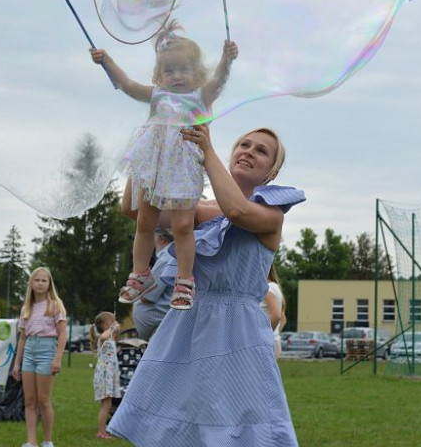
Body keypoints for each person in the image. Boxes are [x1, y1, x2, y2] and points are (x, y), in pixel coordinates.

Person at [108, 125, 304, 446]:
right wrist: (146, 156)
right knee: (182, 425)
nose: (249, 152)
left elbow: (236, 210)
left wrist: (206, 152)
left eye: (261, 150)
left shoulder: (272, 214)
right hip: (187, 324)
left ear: (273, 171)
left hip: (238, 332)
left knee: (239, 427)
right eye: (244, 144)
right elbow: (132, 208)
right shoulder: (199, 209)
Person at [91, 20, 237, 311]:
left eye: (184, 69)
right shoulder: (158, 95)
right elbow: (127, 84)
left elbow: (219, 83)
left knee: (183, 225)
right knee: (145, 222)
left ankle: (184, 281)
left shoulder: (200, 97)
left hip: (183, 166)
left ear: (197, 73)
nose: (177, 75)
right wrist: (106, 61)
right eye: (169, 70)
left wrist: (226, 60)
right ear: (159, 75)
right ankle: (141, 275)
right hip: (155, 166)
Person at [12, 266, 68, 447]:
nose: (40, 283)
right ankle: (31, 441)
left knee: (43, 401)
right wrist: (16, 363)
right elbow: (22, 338)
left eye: (44, 280)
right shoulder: (26, 308)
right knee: (29, 400)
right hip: (29, 351)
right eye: (37, 280)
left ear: (49, 284)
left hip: (47, 350)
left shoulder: (55, 305)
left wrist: (57, 358)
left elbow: (62, 335)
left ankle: (47, 441)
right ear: (31, 283)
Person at [130, 227, 175, 341]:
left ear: (161, 239)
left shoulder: (166, 258)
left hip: (162, 329)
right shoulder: (170, 256)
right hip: (162, 327)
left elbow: (146, 297)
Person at [90, 311, 121, 440]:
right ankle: (101, 432)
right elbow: (103, 337)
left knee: (108, 404)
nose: (113, 323)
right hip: (104, 375)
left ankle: (104, 430)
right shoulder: (102, 339)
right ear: (104, 325)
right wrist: (113, 328)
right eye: (110, 322)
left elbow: (115, 339)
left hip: (109, 374)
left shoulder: (110, 339)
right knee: (106, 405)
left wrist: (116, 331)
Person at [260, 264, 286, 359]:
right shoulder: (274, 287)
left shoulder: (267, 288)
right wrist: (275, 334)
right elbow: (283, 318)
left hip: (265, 343)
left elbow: (276, 316)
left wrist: (265, 334)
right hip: (273, 342)